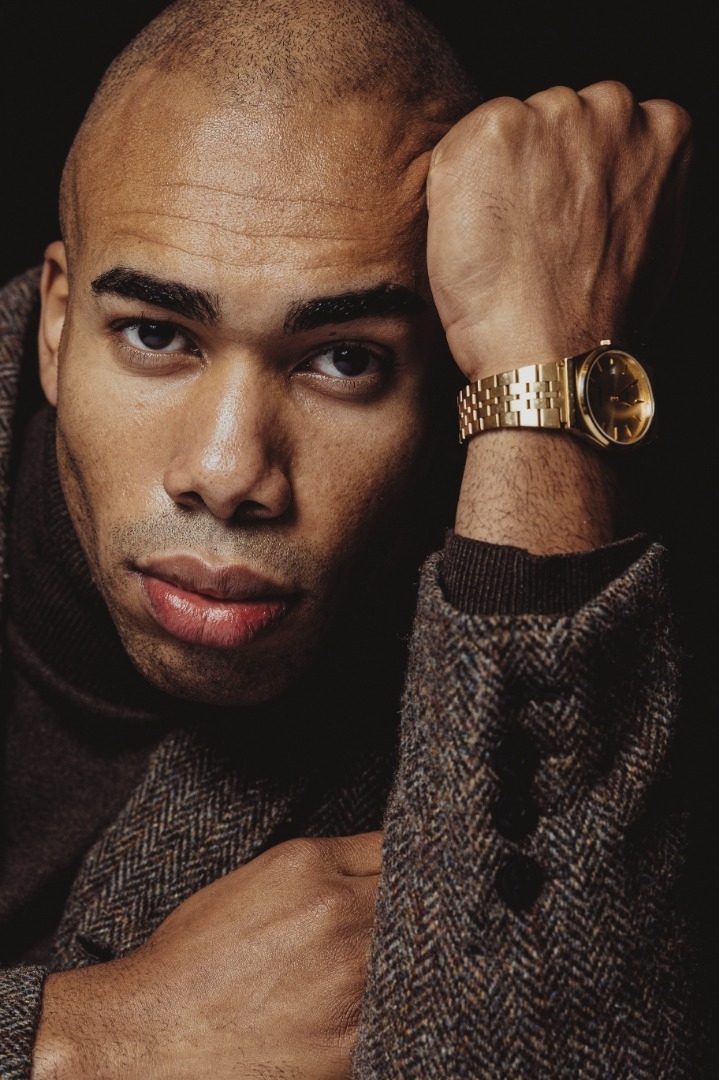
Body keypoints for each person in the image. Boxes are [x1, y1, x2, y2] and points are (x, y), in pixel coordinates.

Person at [0, 0, 703, 1076]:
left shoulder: (526, 640)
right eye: (155, 334)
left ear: (455, 375)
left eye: (343, 360)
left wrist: (548, 376)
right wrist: (89, 1037)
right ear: (58, 325)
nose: (227, 472)